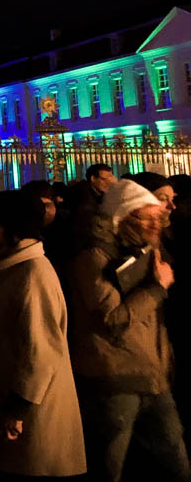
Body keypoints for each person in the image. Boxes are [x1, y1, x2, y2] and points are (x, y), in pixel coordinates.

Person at [67, 178, 190, 481]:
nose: (154, 223)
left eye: (156, 216)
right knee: (109, 465)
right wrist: (157, 288)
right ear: (122, 217)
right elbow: (111, 317)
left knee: (175, 461)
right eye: (144, 216)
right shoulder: (94, 257)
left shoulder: (147, 250)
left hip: (152, 373)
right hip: (116, 377)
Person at [0, 190, 85, 478]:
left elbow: (40, 351)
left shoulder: (32, 274)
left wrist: (18, 408)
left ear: (11, 225)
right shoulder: (13, 268)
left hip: (34, 410)